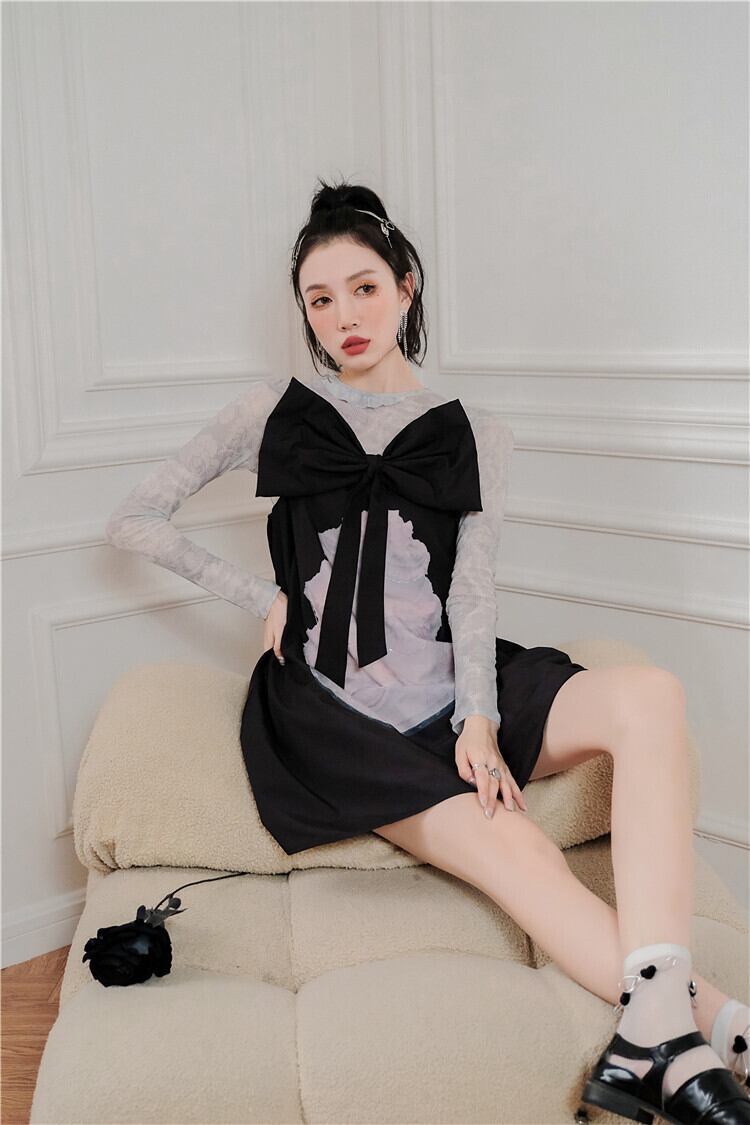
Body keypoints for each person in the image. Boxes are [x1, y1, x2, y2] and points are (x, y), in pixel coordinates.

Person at [104, 179, 749, 1122]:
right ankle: (712, 1029)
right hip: (334, 717)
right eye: (320, 299)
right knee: (519, 849)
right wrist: (262, 595)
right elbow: (135, 517)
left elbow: (472, 592)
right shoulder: (272, 410)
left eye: (364, 288)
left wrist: (480, 717)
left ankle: (653, 1034)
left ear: (406, 287)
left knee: (649, 694)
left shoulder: (477, 434)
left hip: (451, 680)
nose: (344, 317)